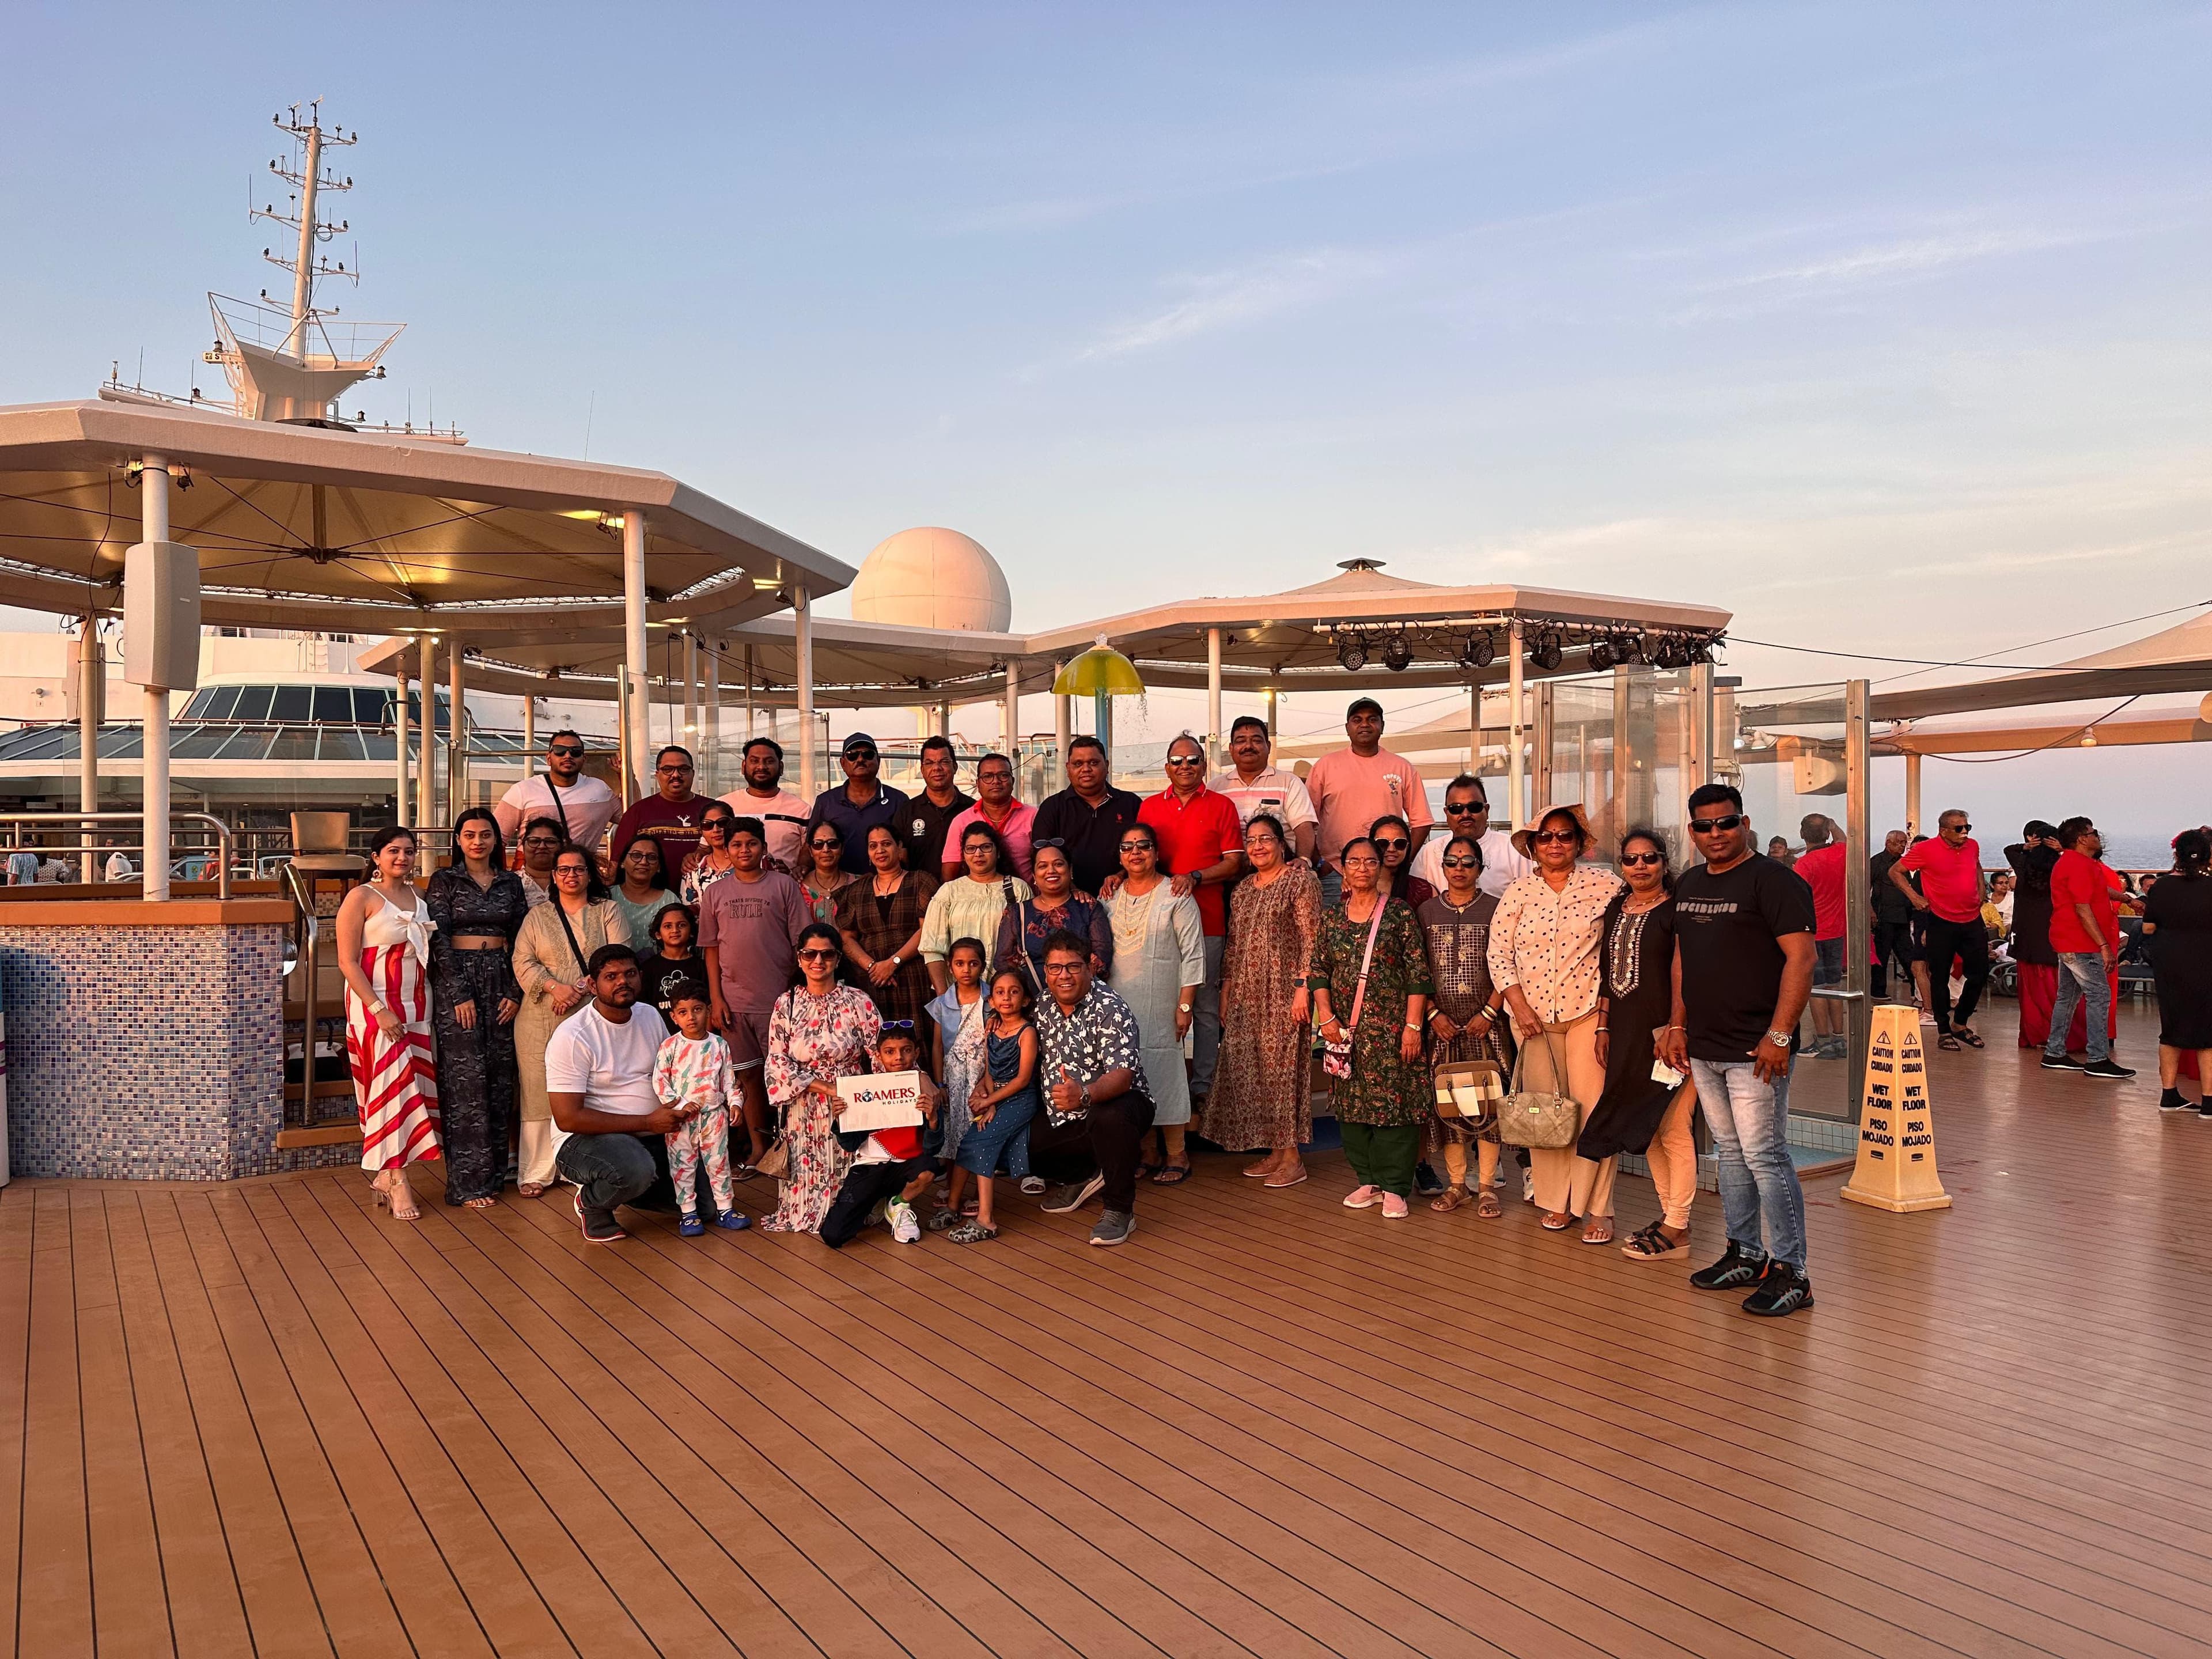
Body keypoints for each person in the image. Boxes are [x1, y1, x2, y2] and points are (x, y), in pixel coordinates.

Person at [1659, 784, 1815, 1318]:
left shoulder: (1775, 882)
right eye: (1704, 826)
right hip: (1703, 1045)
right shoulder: (1690, 883)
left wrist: (1778, 1036)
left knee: (1766, 1157)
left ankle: (1792, 1271)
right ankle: (1745, 1253)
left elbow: (1802, 960)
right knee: (1729, 1153)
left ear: (1743, 822)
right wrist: (1677, 1024)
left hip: (1756, 1050)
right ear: (1692, 831)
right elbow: (1682, 959)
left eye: (1725, 824)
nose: (1715, 835)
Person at [1489, 804, 1623, 1241]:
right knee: (1543, 1115)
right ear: (1533, 846)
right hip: (1531, 1022)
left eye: (1564, 836)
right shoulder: (1518, 893)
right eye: (1545, 837)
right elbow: (1499, 955)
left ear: (1580, 843)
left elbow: (1625, 942)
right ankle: (1555, 1201)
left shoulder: (1607, 886)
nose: (1555, 844)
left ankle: (1599, 1207)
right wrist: (1518, 1005)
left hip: (1588, 1014)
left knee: (1592, 1113)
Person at [1579, 830, 1697, 1262]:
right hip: (1626, 1033)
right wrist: (1603, 1027)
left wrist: (1676, 1027)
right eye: (1631, 860)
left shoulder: (1677, 909)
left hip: (1669, 1034)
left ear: (1664, 862)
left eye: (1650, 858)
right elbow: (1611, 975)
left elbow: (1685, 972)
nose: (1640, 866)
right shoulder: (1618, 908)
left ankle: (1678, 1225)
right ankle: (1672, 1220)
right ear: (1622, 867)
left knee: (1673, 1127)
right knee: (1645, 1128)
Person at [1310, 835, 1432, 1218]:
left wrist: (1413, 1026)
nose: (1362, 868)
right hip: (1345, 1034)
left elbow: (1418, 974)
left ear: (1380, 867)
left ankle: (1396, 1186)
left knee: (1396, 1107)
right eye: (1354, 861)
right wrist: (1327, 1018)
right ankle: (1367, 1180)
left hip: (1392, 1031)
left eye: (1370, 861)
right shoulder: (1332, 917)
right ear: (1343, 867)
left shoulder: (1398, 913)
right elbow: (1318, 971)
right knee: (1351, 1107)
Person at [1201, 813, 1323, 1190]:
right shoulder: (1243, 890)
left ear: (1282, 843)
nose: (1257, 846)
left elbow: (1313, 938)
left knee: (1283, 1072)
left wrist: (1305, 987)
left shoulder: (1299, 880)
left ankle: (1293, 1158)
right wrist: (1226, 990)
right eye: (1251, 840)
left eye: (1265, 839)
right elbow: (1235, 946)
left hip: (1285, 994)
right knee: (1254, 1072)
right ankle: (1274, 1150)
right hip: (1246, 994)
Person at [544, 945, 687, 1244]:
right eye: (611, 976)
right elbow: (568, 1118)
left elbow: (669, 1074)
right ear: (593, 986)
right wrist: (647, 1122)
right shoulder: (573, 1036)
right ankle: (593, 1204)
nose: (623, 982)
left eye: (630, 974)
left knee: (706, 1205)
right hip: (584, 1142)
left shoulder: (649, 1016)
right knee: (633, 1169)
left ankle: (637, 1188)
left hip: (650, 1132)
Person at [1128, 735, 1243, 1102]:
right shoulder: (1148, 808)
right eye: (1177, 761)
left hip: (1207, 922)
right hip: (1156, 925)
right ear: (1167, 767)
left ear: (1204, 765)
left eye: (1193, 760)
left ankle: (1203, 1090)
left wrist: (1195, 877)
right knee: (1160, 1006)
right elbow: (1139, 854)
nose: (1185, 767)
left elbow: (1234, 863)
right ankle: (1159, 1087)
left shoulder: (1221, 806)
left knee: (1205, 1007)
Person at [513, 844, 633, 1195]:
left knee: (587, 1090)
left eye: (578, 869)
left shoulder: (607, 911)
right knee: (537, 1090)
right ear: (553, 876)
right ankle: (536, 1171)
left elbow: (618, 957)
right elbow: (522, 960)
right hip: (540, 1015)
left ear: (589, 874)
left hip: (593, 1014)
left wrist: (578, 989)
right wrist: (555, 987)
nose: (571, 876)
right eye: (563, 870)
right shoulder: (538, 916)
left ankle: (580, 1166)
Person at [336, 826, 441, 1222]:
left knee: (409, 1083)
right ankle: (398, 1181)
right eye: (393, 851)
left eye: (409, 851)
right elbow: (347, 961)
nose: (402, 857)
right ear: (376, 856)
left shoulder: (420, 896)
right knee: (392, 1086)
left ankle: (385, 1173)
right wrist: (378, 1008)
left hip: (417, 1001)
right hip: (376, 1004)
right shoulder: (361, 897)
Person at [696, 817, 812, 1164]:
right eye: (736, 845)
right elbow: (712, 949)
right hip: (733, 1003)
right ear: (726, 851)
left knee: (786, 1076)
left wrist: (797, 994)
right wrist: (716, 999)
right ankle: (759, 1150)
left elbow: (801, 942)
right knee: (747, 1078)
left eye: (751, 843)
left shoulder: (783, 886)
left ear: (763, 847)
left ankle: (793, 1147)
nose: (744, 850)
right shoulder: (715, 892)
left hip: (778, 1003)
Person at [425, 807, 525, 1210]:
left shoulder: (510, 883)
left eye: (486, 835)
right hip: (460, 981)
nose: (478, 842)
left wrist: (516, 991)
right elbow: (438, 939)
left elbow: (522, 940)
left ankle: (495, 1177)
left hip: (502, 975)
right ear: (459, 840)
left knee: (500, 1080)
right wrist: (458, 994)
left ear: (496, 840)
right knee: (465, 1082)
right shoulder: (445, 881)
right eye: (470, 835)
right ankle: (467, 1184)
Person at [1029, 931, 1156, 1247]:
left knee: (1109, 1120)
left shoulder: (1111, 1008)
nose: (1065, 976)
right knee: (1027, 1147)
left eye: (1073, 967)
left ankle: (1119, 1210)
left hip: (1119, 1103)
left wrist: (1084, 1094)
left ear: (1090, 967)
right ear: (1046, 972)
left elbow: (1123, 1077)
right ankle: (1083, 1176)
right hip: (1064, 1111)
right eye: (1056, 968)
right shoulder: (1043, 1003)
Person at [762, 922, 885, 1234]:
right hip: (805, 1101)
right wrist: (824, 1087)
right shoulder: (786, 1003)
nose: (818, 962)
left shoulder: (859, 1001)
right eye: (810, 954)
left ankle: (846, 1215)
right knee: (808, 1163)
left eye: (827, 954)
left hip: (850, 1099)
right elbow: (777, 1061)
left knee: (847, 1158)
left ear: (838, 958)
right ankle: (808, 1212)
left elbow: (880, 1052)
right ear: (800, 958)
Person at [1414, 832, 1512, 1217]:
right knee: (1449, 1107)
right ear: (1442, 867)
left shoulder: (1497, 908)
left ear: (1480, 868)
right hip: (1442, 1030)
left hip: (1485, 1027)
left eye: (1467, 862)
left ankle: (1486, 1186)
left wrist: (1489, 1013)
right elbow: (1417, 969)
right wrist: (1433, 1014)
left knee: (1489, 1106)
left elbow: (1510, 963)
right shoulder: (1427, 912)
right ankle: (1457, 1185)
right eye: (1452, 862)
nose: (1459, 868)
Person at [1103, 821, 1205, 1183]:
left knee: (1164, 1069)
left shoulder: (1176, 894)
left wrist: (1186, 1005)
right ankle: (1147, 1150)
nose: (1136, 853)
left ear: (1157, 853)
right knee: (1129, 1072)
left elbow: (1193, 955)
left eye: (1143, 846)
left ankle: (1177, 1153)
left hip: (1163, 1003)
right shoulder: (1110, 896)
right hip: (1117, 1005)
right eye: (1128, 848)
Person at [931, 965, 1042, 1243]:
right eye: (1000, 993)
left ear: (1025, 999)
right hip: (997, 1097)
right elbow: (991, 1072)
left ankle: (986, 1220)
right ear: (991, 1001)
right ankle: (954, 1205)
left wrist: (989, 1101)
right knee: (969, 1141)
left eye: (1014, 992)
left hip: (1020, 1098)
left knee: (981, 1142)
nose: (1007, 998)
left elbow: (1022, 1080)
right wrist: (988, 1100)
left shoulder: (1027, 1032)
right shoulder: (993, 1029)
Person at [817, 1020, 942, 1249]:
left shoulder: (924, 1087)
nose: (898, 1058)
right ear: (878, 1055)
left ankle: (898, 1203)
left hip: (907, 1164)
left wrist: (933, 1119)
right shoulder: (864, 1087)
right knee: (833, 1235)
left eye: (906, 1051)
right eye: (890, 1052)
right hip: (870, 1165)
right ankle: (875, 1201)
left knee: (928, 1171)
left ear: (916, 1052)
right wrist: (840, 1119)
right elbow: (850, 1144)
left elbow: (934, 1149)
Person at [1305, 696, 1433, 906]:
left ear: (1382, 727)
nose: (1365, 724)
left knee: (1383, 934)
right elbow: (1307, 820)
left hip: (1386, 875)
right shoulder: (1325, 766)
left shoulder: (1402, 767)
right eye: (1357, 719)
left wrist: (1402, 861)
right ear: (1347, 728)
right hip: (1335, 874)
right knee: (1332, 935)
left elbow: (1422, 822)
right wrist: (1321, 863)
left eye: (1372, 719)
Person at [2041, 816, 2135, 1080]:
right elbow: (2082, 908)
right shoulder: (2078, 865)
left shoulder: (2079, 864)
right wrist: (2104, 945)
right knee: (2099, 995)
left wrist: (2127, 898)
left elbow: (2098, 890)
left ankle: (2055, 1052)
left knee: (2068, 997)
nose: (2097, 837)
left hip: (2070, 941)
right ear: (2082, 839)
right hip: (2080, 943)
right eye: (2093, 833)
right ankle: (2097, 1058)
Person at [652, 990, 751, 1235]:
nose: (691, 1017)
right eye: (683, 1012)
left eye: (697, 1010)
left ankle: (725, 1209)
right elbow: (660, 1081)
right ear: (674, 1017)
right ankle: (688, 1213)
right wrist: (679, 1105)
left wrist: (735, 1103)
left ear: (708, 1010)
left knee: (719, 1163)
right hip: (682, 1120)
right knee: (682, 1164)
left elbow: (729, 1080)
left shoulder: (719, 1045)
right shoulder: (670, 1046)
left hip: (714, 1116)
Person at [1890, 808, 1990, 1051]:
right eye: (1959, 829)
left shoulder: (1972, 845)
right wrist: (1914, 897)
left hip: (1972, 919)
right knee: (1940, 976)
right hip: (1941, 920)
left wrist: (1981, 890)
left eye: (1967, 827)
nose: (1965, 832)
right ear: (1943, 831)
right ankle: (1944, 1029)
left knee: (1980, 973)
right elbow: (1895, 872)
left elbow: (1976, 865)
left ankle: (1960, 1023)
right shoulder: (1925, 850)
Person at [836, 823, 940, 1031]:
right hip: (871, 981)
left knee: (918, 1038)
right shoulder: (857, 890)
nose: (880, 851)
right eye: (873, 846)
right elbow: (846, 938)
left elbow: (928, 929)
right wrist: (873, 967)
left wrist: (893, 963)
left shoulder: (920, 881)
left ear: (899, 847)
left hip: (914, 975)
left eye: (886, 844)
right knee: (878, 1042)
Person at [2142, 828, 2212, 1117]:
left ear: (2177, 855)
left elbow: (2148, 928)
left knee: (2171, 1029)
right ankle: (2209, 1102)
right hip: (2207, 961)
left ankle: (2169, 1095)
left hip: (2170, 963)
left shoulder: (2160, 886)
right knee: (2208, 1034)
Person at [921, 823, 1033, 991]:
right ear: (964, 854)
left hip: (1008, 992)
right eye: (971, 849)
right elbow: (932, 949)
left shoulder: (1018, 888)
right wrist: (944, 997)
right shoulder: (949, 891)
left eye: (986, 847)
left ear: (998, 851)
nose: (978, 854)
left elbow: (1029, 942)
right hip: (961, 993)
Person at [1031, 734, 1142, 896]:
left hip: (1124, 895)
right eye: (1078, 764)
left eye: (1093, 763)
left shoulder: (1131, 803)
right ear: (1068, 768)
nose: (1086, 769)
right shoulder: (1052, 808)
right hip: (1069, 900)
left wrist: (1120, 876)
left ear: (1107, 765)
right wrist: (1073, 890)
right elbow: (1042, 857)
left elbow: (1146, 851)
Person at [993, 838, 1112, 986]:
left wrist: (1067, 989)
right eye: (1043, 866)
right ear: (1034, 876)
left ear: (1070, 870)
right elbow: (1003, 963)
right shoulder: (1017, 914)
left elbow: (1102, 956)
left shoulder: (1089, 908)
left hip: (1082, 998)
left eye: (1058, 864)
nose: (1051, 871)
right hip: (1033, 1001)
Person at [495, 730, 619, 865]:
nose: (568, 756)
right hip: (532, 873)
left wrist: (627, 775)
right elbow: (497, 838)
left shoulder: (600, 790)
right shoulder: (522, 790)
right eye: (560, 750)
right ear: (548, 758)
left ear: (584, 759)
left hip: (577, 874)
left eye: (575, 751)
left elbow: (631, 816)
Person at [1208, 717, 1317, 865]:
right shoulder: (1215, 788)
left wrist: (1304, 860)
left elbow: (1304, 827)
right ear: (1231, 749)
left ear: (1269, 746)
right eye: (1241, 741)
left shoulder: (1289, 782)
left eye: (1257, 740)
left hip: (1279, 873)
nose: (1248, 746)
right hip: (1228, 874)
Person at [927, 937, 992, 1172]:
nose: (966, 970)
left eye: (973, 964)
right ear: (949, 965)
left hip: (982, 1076)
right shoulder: (943, 1004)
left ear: (983, 966)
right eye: (960, 964)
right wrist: (940, 1084)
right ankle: (953, 1186)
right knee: (954, 1130)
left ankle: (979, 1189)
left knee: (981, 1127)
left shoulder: (992, 1000)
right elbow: (937, 1046)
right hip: (952, 1078)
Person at [2007, 821, 2073, 1050]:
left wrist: (2026, 847)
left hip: (2026, 935)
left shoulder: (2023, 865)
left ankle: (2033, 1034)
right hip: (2053, 933)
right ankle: (2061, 1037)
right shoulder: (2063, 866)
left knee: (2031, 992)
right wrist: (2064, 850)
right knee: (2058, 989)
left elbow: (2009, 850)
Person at [1411, 775, 1532, 899]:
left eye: (1474, 807)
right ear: (1446, 813)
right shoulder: (1429, 852)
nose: (1465, 814)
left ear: (1487, 810)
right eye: (1456, 809)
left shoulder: (1513, 850)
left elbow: (1530, 897)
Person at [810, 732, 909, 876]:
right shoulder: (825, 802)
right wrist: (802, 869)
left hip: (886, 887)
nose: (860, 759)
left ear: (878, 761)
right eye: (852, 755)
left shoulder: (899, 800)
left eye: (868, 755)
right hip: (840, 887)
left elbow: (905, 850)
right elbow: (812, 845)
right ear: (843, 763)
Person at [1794, 813, 1849, 1059]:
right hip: (1837, 931)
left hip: (1813, 933)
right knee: (1834, 987)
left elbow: (1796, 900)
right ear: (1827, 833)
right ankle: (1839, 1039)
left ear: (1803, 834)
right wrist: (1832, 824)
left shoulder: (1804, 865)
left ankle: (1823, 1041)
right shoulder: (1840, 854)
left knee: (1815, 989)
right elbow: (1843, 839)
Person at [719, 736, 813, 872]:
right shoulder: (724, 806)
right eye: (754, 761)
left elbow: (807, 857)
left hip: (783, 890)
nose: (761, 767)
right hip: (730, 889)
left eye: (769, 761)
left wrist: (795, 872)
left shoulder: (802, 810)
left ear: (781, 767)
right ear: (744, 766)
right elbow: (706, 848)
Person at [942, 751, 1036, 882]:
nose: (996, 782)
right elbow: (949, 875)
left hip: (1025, 898)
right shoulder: (961, 822)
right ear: (978, 783)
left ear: (1012, 781)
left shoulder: (1033, 817)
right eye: (988, 777)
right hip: (975, 900)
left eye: (1003, 775)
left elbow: (1046, 862)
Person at [612, 745, 709, 871]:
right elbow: (617, 861)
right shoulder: (638, 812)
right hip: (652, 889)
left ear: (693, 773)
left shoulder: (712, 809)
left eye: (683, 769)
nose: (676, 775)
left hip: (704, 889)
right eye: (668, 769)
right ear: (657, 774)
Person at [899, 734, 973, 877]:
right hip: (920, 895)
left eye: (944, 762)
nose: (937, 768)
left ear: (955, 766)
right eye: (929, 763)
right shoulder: (907, 812)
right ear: (922, 770)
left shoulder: (973, 810)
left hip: (965, 895)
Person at [638, 903, 709, 1030]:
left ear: (692, 931)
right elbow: (643, 1007)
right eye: (668, 926)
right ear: (658, 934)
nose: (675, 930)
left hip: (695, 1038)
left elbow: (709, 1006)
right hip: (659, 1036)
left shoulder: (701, 966)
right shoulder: (649, 968)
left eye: (681, 925)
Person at [1869, 828, 1915, 1004]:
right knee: (1881, 954)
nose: (1904, 846)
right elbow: (1865, 887)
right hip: (1883, 916)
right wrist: (1870, 912)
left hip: (1902, 916)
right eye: (1901, 842)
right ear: (1889, 843)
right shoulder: (1877, 862)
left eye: (1905, 843)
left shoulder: (1904, 863)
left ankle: (1915, 988)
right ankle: (1878, 990)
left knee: (1907, 953)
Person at [611, 832, 679, 945]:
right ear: (622, 863)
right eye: (636, 855)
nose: (643, 862)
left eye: (651, 857)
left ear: (659, 867)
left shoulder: (670, 900)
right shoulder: (607, 897)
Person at [675, 802, 741, 911]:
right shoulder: (694, 870)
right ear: (702, 830)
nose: (716, 829)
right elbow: (692, 912)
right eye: (707, 825)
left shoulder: (756, 861)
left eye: (723, 823)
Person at [797, 821, 858, 925]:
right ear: (811, 852)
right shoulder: (797, 887)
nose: (826, 850)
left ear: (842, 848)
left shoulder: (858, 885)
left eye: (832, 843)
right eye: (818, 844)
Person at [1370, 812, 1434, 909]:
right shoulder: (1356, 885)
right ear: (1371, 846)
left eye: (1400, 843)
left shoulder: (1423, 890)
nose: (1391, 849)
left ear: (1408, 847)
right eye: (1383, 843)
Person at [515, 817, 563, 908]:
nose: (542, 847)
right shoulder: (508, 883)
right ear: (523, 845)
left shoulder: (571, 880)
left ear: (561, 846)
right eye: (534, 841)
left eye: (550, 842)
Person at [1983, 869, 2016, 942]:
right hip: (1992, 929)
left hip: (2010, 928)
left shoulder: (2013, 897)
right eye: (2001, 883)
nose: (2005, 886)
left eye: (2007, 883)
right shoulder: (1987, 899)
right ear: (1992, 885)